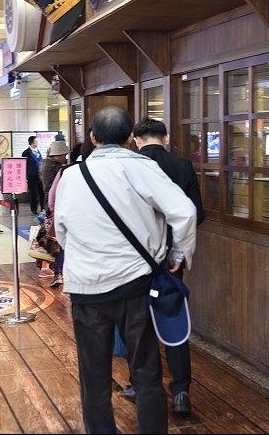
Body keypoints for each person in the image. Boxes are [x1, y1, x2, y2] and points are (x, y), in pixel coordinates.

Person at [55, 107, 197, 434]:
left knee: (94, 376)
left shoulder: (72, 175)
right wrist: (178, 253)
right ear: (130, 137)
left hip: (87, 288)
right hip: (135, 286)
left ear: (93, 138)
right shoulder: (142, 168)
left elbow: (62, 231)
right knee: (146, 372)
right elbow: (185, 212)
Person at [132, 117, 205, 414]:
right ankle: (181, 391)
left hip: (137, 260)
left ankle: (140, 385)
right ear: (166, 137)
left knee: (139, 323)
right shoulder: (183, 165)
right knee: (174, 320)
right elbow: (197, 214)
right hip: (172, 261)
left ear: (136, 140)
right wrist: (178, 252)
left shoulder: (130, 167)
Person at [45, 137, 94, 288]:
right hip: (91, 217)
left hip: (68, 214)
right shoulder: (103, 170)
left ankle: (59, 273)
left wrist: (53, 212)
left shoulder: (65, 170)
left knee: (64, 244)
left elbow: (52, 195)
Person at [21, 136, 45, 214]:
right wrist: (24, 177)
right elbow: (24, 165)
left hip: (39, 175)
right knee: (34, 193)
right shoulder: (26, 152)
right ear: (32, 142)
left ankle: (43, 208)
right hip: (31, 175)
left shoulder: (38, 151)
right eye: (36, 141)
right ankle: (34, 208)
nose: (37, 143)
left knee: (42, 192)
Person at [41, 139, 69, 204]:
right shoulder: (48, 166)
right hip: (52, 200)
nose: (65, 159)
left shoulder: (54, 164)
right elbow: (49, 187)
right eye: (64, 156)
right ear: (58, 155)